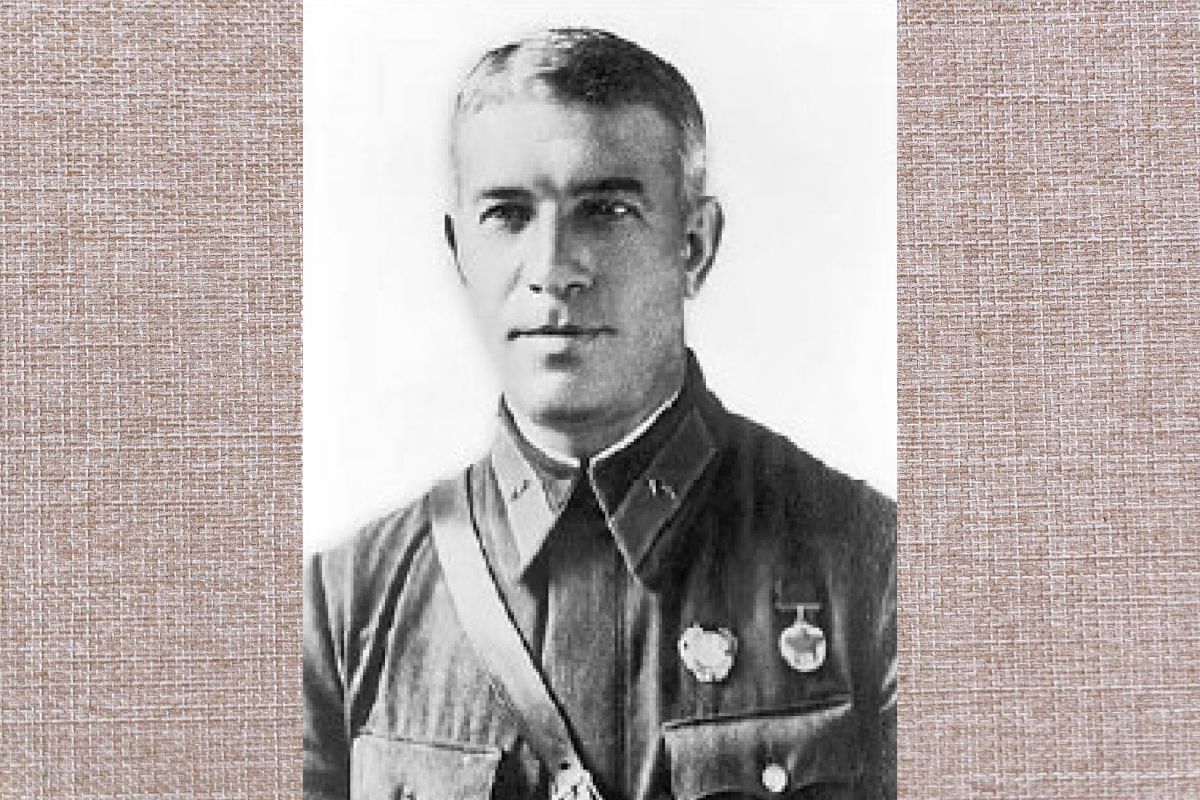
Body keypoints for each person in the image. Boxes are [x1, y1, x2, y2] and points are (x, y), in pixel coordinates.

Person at [304, 27, 895, 800]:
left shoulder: (874, 569)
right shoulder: (341, 608)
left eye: (606, 210)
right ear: (458, 252)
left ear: (694, 245)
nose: (553, 270)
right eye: (508, 214)